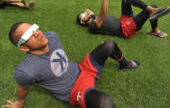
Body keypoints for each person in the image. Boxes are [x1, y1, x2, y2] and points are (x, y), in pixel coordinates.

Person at [2, 22, 140, 108]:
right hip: (75, 89)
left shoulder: (51, 36)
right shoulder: (26, 71)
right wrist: (19, 103)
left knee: (109, 44)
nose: (37, 33)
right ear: (24, 48)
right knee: (105, 104)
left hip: (82, 68)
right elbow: (23, 89)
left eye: (34, 28)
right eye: (28, 36)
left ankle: (125, 64)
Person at [77, 0, 170, 38]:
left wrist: (85, 14)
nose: (85, 14)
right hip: (126, 29)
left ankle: (153, 13)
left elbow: (88, 10)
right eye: (83, 16)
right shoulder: (92, 26)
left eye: (84, 14)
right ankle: (155, 28)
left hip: (123, 20)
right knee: (152, 7)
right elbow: (103, 14)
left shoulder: (93, 17)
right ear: (83, 22)